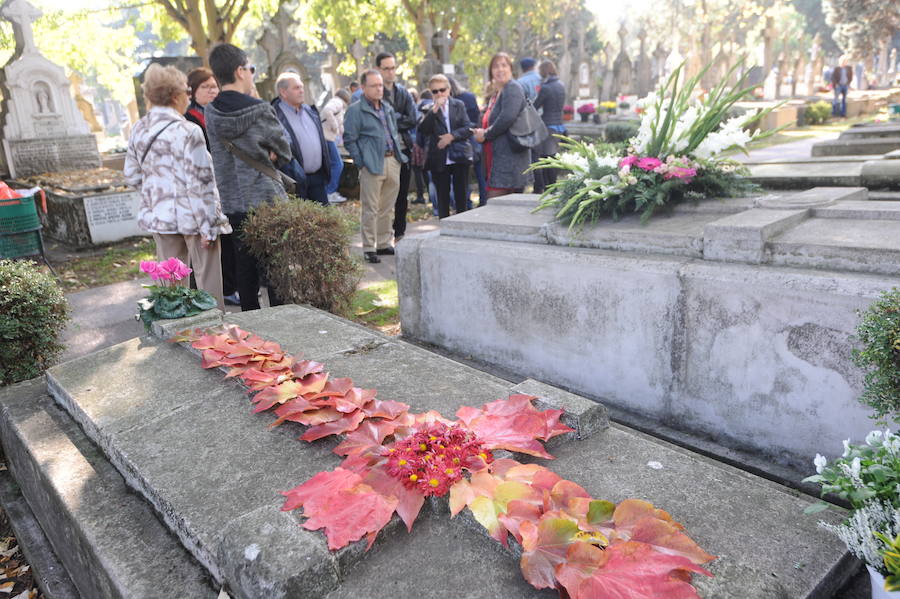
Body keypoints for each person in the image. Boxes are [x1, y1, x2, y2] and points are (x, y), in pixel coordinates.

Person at [124, 64, 231, 310]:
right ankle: (213, 336)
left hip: (160, 218)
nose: (188, 97)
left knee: (171, 288)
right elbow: (200, 183)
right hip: (194, 217)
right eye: (186, 92)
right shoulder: (188, 130)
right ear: (175, 96)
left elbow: (131, 175)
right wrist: (208, 226)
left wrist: (158, 194)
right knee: (209, 287)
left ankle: (176, 336)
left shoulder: (139, 129)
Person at [204, 43, 293, 312]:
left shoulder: (211, 112)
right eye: (250, 68)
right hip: (266, 199)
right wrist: (270, 154)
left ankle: (251, 325)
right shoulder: (260, 109)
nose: (252, 73)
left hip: (232, 200)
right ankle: (282, 318)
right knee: (276, 265)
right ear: (239, 70)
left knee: (245, 267)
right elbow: (285, 151)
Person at [343, 69, 407, 264]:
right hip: (372, 164)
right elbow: (349, 139)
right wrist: (361, 162)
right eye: (374, 85)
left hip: (392, 161)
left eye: (380, 85)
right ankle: (369, 247)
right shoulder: (355, 110)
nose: (379, 89)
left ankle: (383, 243)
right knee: (371, 208)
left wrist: (397, 157)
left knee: (387, 207)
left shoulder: (386, 107)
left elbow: (393, 133)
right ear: (363, 87)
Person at [473, 52, 530, 201]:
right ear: (491, 72)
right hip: (496, 158)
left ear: (511, 69)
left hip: (509, 161)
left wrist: (485, 134)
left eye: (504, 65)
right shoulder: (496, 93)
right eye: (495, 66)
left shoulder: (512, 88)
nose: (500, 69)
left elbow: (507, 118)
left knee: (494, 207)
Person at [375, 52, 417, 244]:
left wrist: (392, 120)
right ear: (378, 70)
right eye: (386, 68)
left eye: (393, 68)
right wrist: (399, 119)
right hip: (382, 153)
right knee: (382, 199)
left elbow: (413, 119)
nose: (391, 72)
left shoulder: (403, 92)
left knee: (402, 196)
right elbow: (377, 122)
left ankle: (399, 234)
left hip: (403, 150)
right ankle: (381, 237)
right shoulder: (374, 93)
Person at [271, 72, 331, 206]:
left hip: (318, 179)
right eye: (296, 88)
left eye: (302, 87)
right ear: (283, 92)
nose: (301, 91)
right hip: (294, 182)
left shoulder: (310, 111)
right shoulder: (273, 115)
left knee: (324, 222)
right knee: (301, 224)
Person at [419, 74, 473, 219]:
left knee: (461, 195)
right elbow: (423, 130)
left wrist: (451, 136)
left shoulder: (458, 105)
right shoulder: (428, 108)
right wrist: (434, 110)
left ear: (449, 90)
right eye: (435, 91)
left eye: (442, 90)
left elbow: (468, 128)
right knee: (442, 197)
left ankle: (462, 226)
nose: (439, 94)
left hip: (459, 155)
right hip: (439, 157)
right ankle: (444, 228)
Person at [450, 76, 485, 208]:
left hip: (460, 141)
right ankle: (483, 201)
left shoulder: (452, 102)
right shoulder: (469, 97)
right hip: (474, 137)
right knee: (480, 173)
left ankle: (466, 203)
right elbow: (476, 115)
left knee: (463, 176)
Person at [532, 60, 566, 194]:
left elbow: (535, 106)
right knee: (553, 157)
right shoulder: (561, 85)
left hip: (547, 126)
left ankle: (550, 189)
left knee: (546, 159)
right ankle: (553, 188)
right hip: (559, 125)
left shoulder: (546, 87)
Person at [321, 89, 351, 204]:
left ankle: (329, 191)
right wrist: (335, 127)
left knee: (333, 164)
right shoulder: (337, 102)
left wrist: (340, 130)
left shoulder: (338, 104)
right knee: (338, 164)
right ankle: (330, 192)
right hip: (327, 137)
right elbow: (328, 111)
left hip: (328, 137)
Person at [184, 67, 219, 150]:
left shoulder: (224, 112)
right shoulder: (187, 118)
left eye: (214, 86)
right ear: (192, 91)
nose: (211, 91)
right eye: (205, 87)